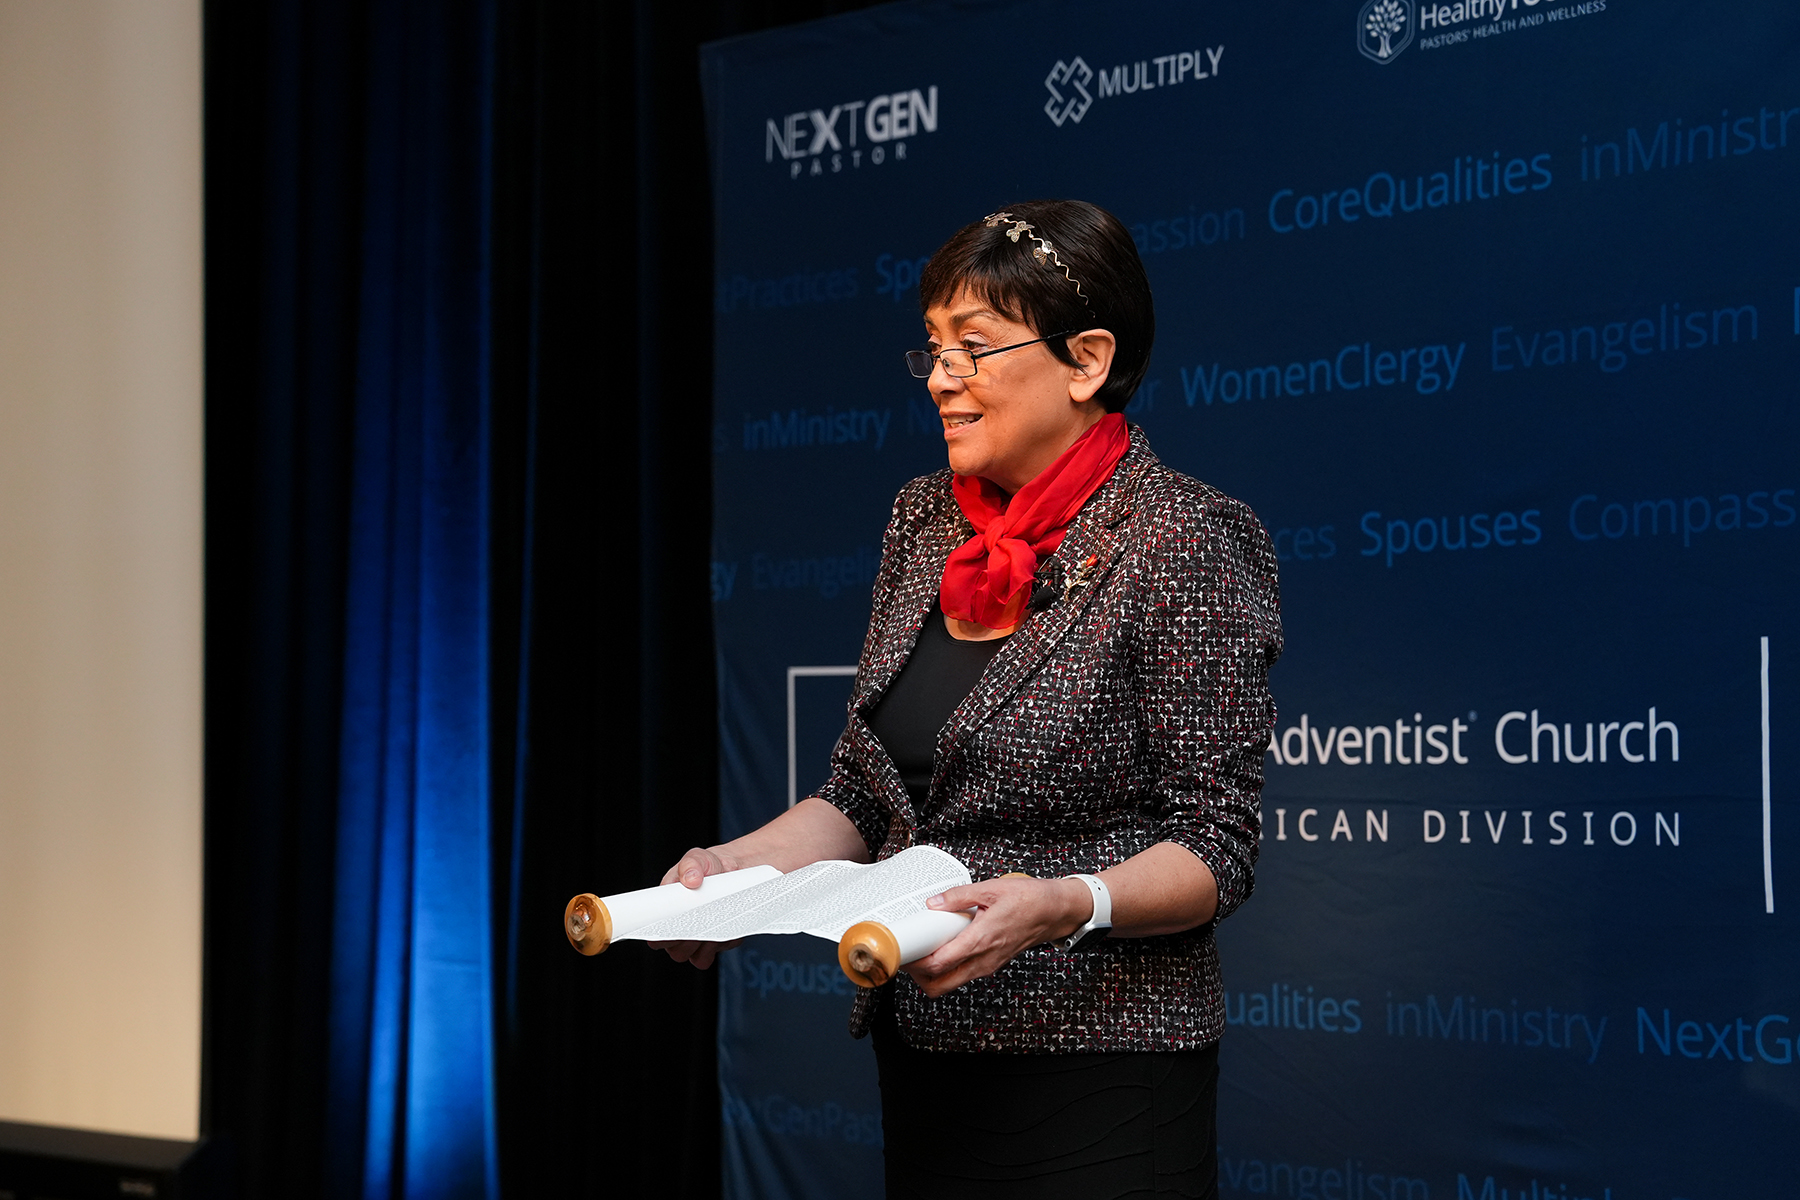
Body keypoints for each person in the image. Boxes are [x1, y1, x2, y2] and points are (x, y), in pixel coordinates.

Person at [656, 199, 1282, 1199]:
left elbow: (1215, 847)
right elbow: (863, 793)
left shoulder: (1184, 537)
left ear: (1085, 361)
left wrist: (1064, 905)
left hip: (1102, 1080)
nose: (943, 377)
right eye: (935, 348)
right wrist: (736, 871)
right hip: (927, 1062)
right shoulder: (922, 521)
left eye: (975, 348)